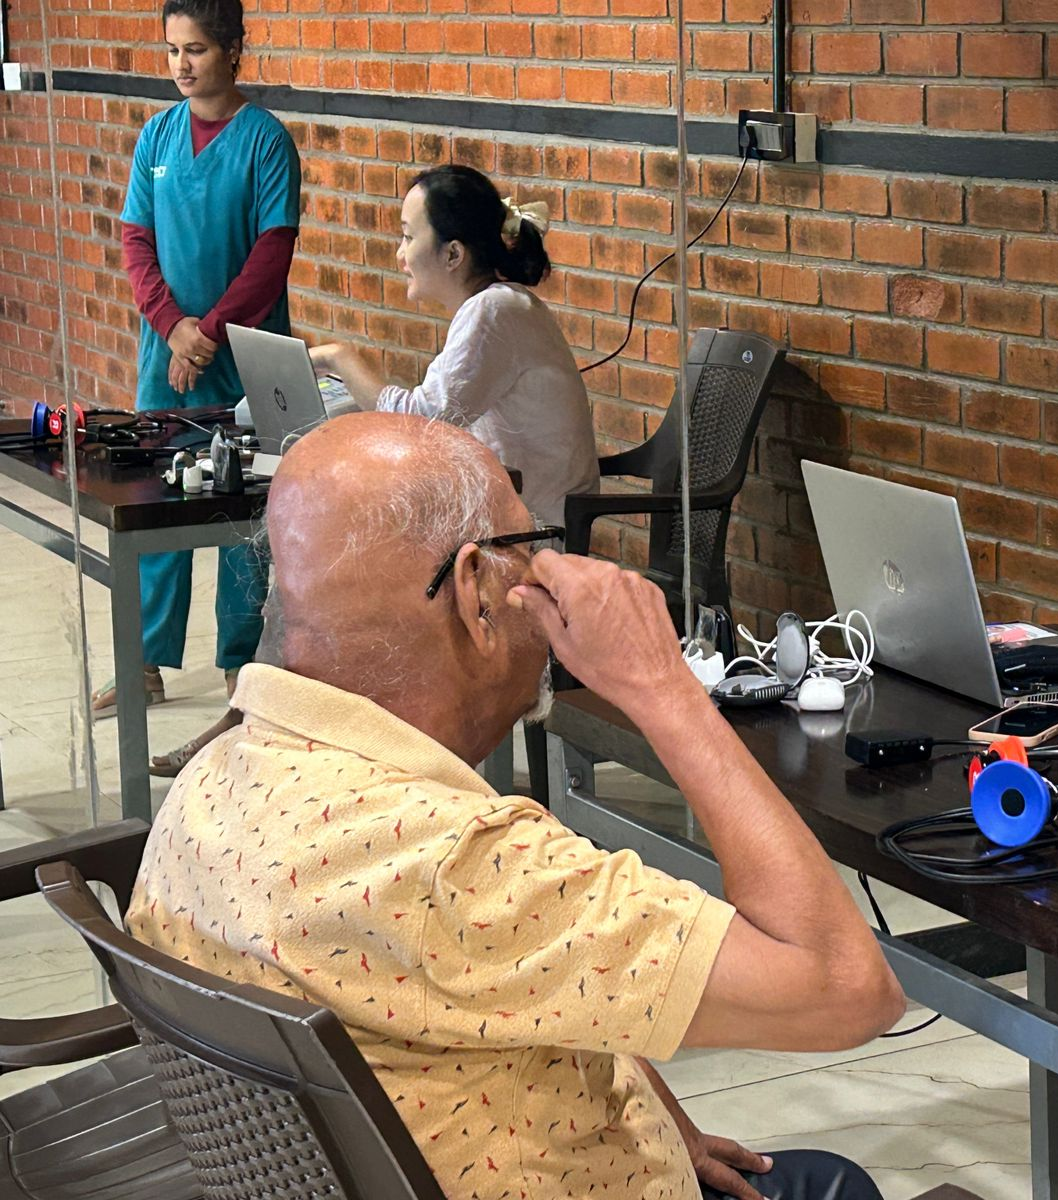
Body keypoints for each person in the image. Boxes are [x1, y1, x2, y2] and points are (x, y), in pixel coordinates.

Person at [127, 412, 902, 1200]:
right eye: (525, 547)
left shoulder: (212, 778)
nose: (540, 569)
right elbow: (849, 989)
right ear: (476, 594)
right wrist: (663, 687)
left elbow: (525, 988)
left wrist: (660, 1124)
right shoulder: (467, 867)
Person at [106, 0, 299, 733]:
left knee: (244, 513)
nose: (182, 65)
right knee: (154, 498)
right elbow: (136, 243)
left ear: (232, 49)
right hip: (168, 352)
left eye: (196, 49)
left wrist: (208, 334)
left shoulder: (266, 143)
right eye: (172, 51)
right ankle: (146, 659)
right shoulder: (155, 137)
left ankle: (238, 667)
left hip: (244, 353)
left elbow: (270, 257)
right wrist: (172, 328)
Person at [309, 164, 599, 529]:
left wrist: (341, 358)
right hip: (502, 514)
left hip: (531, 533)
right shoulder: (497, 305)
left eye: (409, 238)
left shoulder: (493, 310)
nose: (400, 255)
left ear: (453, 255)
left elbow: (424, 422)